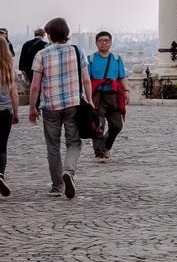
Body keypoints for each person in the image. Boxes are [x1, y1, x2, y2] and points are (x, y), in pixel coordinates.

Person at [28, 17, 94, 198]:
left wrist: (32, 108)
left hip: (50, 106)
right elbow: (86, 79)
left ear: (48, 35)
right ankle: (69, 172)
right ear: (67, 33)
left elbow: (35, 86)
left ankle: (57, 186)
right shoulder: (77, 51)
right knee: (74, 142)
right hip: (73, 104)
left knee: (53, 146)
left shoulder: (42, 54)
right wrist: (89, 99)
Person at [87, 31, 129, 162]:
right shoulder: (91, 59)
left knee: (117, 125)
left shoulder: (116, 58)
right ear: (96, 43)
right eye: (101, 40)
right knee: (98, 125)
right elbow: (87, 80)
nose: (104, 43)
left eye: (106, 40)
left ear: (111, 42)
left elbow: (122, 76)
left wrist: (127, 90)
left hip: (113, 96)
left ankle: (106, 146)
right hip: (97, 96)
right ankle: (99, 154)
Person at [0, 40, 17, 197]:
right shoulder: (8, 67)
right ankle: (0, 174)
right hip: (4, 112)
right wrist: (16, 113)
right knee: (2, 146)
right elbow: (13, 94)